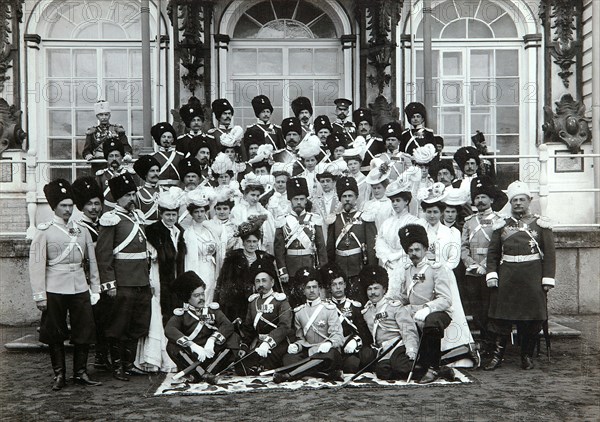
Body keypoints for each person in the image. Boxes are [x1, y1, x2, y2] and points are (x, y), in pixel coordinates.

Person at [29, 179, 102, 390]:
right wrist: (39, 295)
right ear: (54, 207)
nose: (68, 209)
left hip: (79, 286)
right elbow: (36, 265)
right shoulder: (44, 231)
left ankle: (80, 372)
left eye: (70, 205)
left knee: (84, 331)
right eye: (63, 205)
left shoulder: (82, 229)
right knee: (55, 333)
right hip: (54, 287)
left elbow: (92, 262)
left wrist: (95, 288)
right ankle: (59, 375)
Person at [484, 181, 556, 371]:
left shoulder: (541, 225)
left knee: (531, 319)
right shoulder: (501, 225)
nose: (517, 203)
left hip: (532, 277)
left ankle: (526, 356)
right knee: (501, 319)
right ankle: (497, 357)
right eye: (514, 200)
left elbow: (549, 254)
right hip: (507, 277)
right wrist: (492, 274)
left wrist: (547, 279)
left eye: (521, 200)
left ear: (529, 201)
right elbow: (493, 253)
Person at [95, 173, 152, 381]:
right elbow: (103, 254)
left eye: (133, 194)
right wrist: (110, 284)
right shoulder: (111, 219)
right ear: (118, 198)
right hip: (122, 282)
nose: (132, 198)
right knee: (119, 325)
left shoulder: (138, 216)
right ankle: (118, 366)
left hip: (141, 280)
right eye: (127, 195)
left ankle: (129, 364)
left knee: (137, 324)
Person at [418, 183, 477, 367]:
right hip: (424, 278)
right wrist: (426, 267)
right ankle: (424, 354)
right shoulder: (420, 231)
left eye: (436, 212)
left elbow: (454, 260)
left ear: (441, 212)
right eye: (429, 212)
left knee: (448, 313)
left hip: (445, 278)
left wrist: (436, 267)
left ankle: (452, 353)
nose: (432, 215)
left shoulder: (452, 232)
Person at [397, 224, 453, 383]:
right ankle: (438, 368)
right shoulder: (408, 270)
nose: (414, 254)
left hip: (438, 313)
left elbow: (446, 299)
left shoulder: (436, 269)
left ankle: (434, 368)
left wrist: (428, 308)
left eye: (417, 249)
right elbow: (405, 296)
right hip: (415, 313)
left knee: (431, 323)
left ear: (425, 249)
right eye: (410, 251)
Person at [461, 176, 507, 356]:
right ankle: (484, 341)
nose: (480, 201)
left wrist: (486, 267)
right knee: (477, 310)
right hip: (473, 272)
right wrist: (472, 264)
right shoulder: (469, 221)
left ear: (492, 200)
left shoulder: (500, 220)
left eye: (484, 197)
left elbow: (501, 247)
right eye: (477, 197)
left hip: (490, 272)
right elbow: (463, 247)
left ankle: (492, 343)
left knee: (490, 308)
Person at [165, 271, 239, 384]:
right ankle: (201, 374)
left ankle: (208, 372)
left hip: (212, 355)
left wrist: (212, 340)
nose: (201, 298)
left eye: (202, 294)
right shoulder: (182, 315)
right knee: (171, 345)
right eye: (196, 295)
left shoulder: (212, 310)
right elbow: (169, 330)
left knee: (234, 337)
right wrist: (192, 346)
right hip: (193, 357)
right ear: (187, 297)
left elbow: (227, 325)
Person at [274, 267, 344, 383]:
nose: (312, 290)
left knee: (330, 357)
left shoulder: (329, 309)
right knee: (288, 358)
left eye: (314, 287)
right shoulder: (299, 312)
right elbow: (300, 338)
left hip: (327, 351)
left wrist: (329, 343)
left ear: (319, 289)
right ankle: (324, 374)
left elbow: (338, 336)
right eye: (308, 287)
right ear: (303, 290)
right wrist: (297, 346)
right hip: (309, 351)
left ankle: (290, 375)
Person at [71, 176, 111, 371]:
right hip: (87, 280)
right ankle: (84, 365)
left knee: (106, 318)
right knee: (88, 321)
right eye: (89, 204)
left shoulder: (104, 224)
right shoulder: (78, 227)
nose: (94, 208)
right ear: (81, 206)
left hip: (106, 279)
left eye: (97, 203)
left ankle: (103, 357)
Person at [273, 177, 327, 307]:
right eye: (295, 199)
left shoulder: (314, 219)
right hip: (290, 270)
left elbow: (321, 248)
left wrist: (322, 270)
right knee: (293, 301)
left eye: (302, 199)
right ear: (290, 201)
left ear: (306, 200)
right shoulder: (283, 220)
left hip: (310, 265)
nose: (299, 202)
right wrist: (282, 270)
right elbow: (279, 249)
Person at [359, 265, 418, 381]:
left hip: (398, 346)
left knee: (400, 366)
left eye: (376, 288)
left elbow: (407, 329)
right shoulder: (366, 312)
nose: (373, 293)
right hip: (383, 350)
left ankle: (432, 371)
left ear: (384, 290)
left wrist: (411, 349)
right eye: (369, 289)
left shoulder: (394, 306)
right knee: (382, 372)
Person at [237, 260, 293, 375]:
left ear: (272, 282)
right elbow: (248, 329)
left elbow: (284, 327)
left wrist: (267, 343)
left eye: (264, 280)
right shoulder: (253, 302)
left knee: (264, 363)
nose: (260, 284)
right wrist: (244, 347)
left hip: (278, 343)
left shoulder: (280, 300)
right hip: (259, 344)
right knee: (240, 367)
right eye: (257, 281)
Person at [327, 176, 377, 303]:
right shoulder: (335, 219)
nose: (347, 199)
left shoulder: (365, 218)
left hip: (359, 267)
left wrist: (370, 269)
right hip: (340, 268)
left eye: (350, 196)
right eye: (344, 196)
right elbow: (330, 247)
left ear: (356, 197)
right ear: (340, 199)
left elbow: (371, 246)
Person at [216, 217, 276, 323]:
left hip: (259, 300)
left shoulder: (265, 259)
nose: (252, 245)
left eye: (254, 241)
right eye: (248, 241)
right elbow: (226, 284)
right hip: (237, 303)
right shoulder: (233, 259)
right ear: (243, 242)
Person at [375, 178, 425, 298]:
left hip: (405, 263)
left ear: (406, 201)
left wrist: (395, 257)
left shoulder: (413, 221)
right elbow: (380, 241)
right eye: (393, 201)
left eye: (398, 200)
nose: (395, 204)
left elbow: (413, 246)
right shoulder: (387, 222)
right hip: (387, 264)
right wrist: (386, 258)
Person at [145, 188, 187, 326]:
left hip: (175, 276)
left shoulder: (179, 231)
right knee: (160, 305)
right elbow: (150, 259)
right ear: (161, 214)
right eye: (167, 214)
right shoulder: (153, 231)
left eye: (173, 214)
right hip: (158, 275)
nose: (171, 218)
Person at [321, 262, 371, 374]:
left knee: (351, 365)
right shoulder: (324, 307)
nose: (338, 287)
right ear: (329, 287)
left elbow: (363, 332)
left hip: (349, 347)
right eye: (334, 285)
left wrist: (356, 340)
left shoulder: (354, 306)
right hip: (332, 347)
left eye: (340, 283)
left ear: (345, 285)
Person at [183, 189, 220, 303]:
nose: (199, 214)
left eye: (202, 211)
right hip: (198, 268)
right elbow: (190, 258)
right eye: (196, 212)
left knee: (211, 293)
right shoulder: (189, 233)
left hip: (211, 268)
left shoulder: (210, 230)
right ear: (191, 214)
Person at [82, 100, 132, 173]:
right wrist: (88, 155)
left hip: (116, 164)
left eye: (106, 114)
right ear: (97, 116)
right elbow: (86, 150)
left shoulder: (117, 129)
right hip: (99, 165)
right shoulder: (92, 131)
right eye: (101, 115)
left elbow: (125, 146)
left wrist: (127, 154)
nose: (104, 117)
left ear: (110, 115)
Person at [95, 138, 137, 212]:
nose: (114, 159)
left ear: (122, 157)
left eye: (117, 156)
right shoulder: (101, 176)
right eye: (111, 156)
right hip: (107, 213)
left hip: (126, 212)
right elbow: (97, 198)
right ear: (107, 158)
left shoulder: (130, 174)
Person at [361, 159, 393, 230]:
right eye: (374, 188)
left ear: (385, 188)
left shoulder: (390, 204)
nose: (376, 191)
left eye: (379, 188)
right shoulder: (367, 204)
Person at [150, 122, 185, 188]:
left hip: (176, 189)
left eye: (169, 137)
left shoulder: (180, 156)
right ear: (159, 139)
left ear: (172, 140)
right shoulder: (153, 157)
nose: (166, 139)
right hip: (159, 189)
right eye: (163, 137)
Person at [353, 108, 385, 173]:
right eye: (360, 125)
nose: (363, 127)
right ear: (357, 127)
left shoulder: (378, 142)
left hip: (374, 173)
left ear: (370, 126)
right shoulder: (353, 144)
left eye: (366, 124)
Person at [133, 155, 162, 225]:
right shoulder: (138, 193)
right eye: (152, 171)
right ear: (145, 174)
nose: (155, 174)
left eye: (157, 171)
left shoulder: (165, 191)